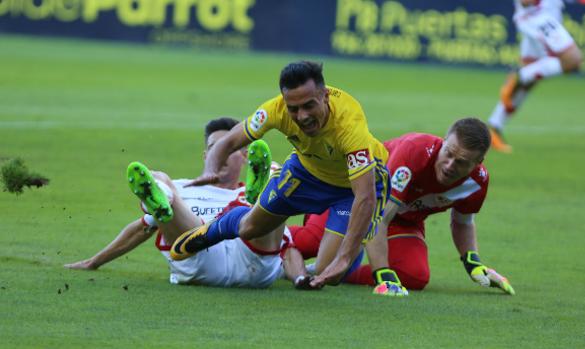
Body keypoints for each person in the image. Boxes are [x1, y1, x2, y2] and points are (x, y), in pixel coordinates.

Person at [170, 61, 405, 293]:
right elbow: (229, 141)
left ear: (324, 95)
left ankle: (348, 253)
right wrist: (210, 169)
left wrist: (344, 259)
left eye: (308, 106)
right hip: (305, 173)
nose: (302, 116)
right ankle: (212, 230)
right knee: (249, 228)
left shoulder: (349, 124)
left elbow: (364, 197)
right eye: (294, 109)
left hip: (351, 188)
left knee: (330, 272)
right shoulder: (275, 109)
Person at [65, 118, 300, 288]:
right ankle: (159, 198)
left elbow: (288, 249)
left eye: (228, 149)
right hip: (196, 254)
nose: (220, 155)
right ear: (205, 156)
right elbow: (141, 229)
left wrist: (302, 278)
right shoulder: (184, 189)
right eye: (213, 149)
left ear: (245, 156)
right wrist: (93, 262)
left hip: (253, 258)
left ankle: (264, 185)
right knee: (160, 177)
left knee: (276, 177)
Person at [288, 118, 515, 295]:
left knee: (414, 275)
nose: (449, 165)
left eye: (462, 162)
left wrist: (473, 262)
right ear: (444, 141)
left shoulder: (477, 182)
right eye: (448, 154)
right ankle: (262, 229)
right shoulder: (414, 151)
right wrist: (383, 275)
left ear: (478, 163)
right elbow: (379, 217)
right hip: (352, 199)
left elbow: (463, 222)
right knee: (309, 242)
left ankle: (337, 271)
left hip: (403, 220)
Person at [487, 0, 582, 153]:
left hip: (547, 14)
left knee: (529, 81)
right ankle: (520, 75)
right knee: (573, 60)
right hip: (537, 16)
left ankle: (494, 127)